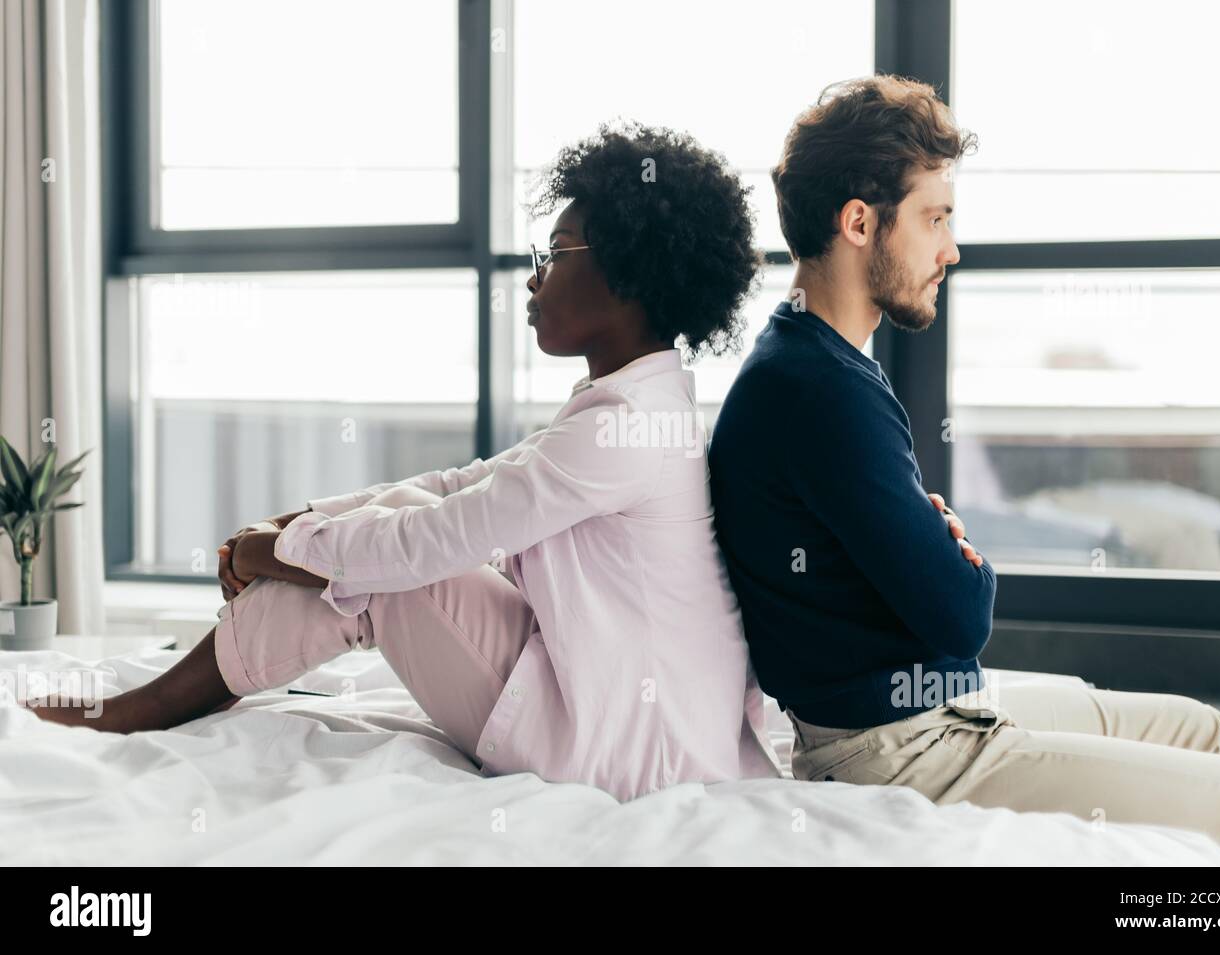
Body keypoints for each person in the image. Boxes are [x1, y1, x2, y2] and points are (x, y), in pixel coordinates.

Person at [31, 121, 782, 803]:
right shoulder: (633, 403)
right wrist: (301, 525)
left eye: (554, 256)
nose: (532, 278)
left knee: (393, 564)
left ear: (629, 276)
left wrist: (278, 550)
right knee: (377, 547)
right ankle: (165, 696)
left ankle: (153, 705)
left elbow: (439, 538)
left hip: (617, 749)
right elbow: (464, 486)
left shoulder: (624, 428)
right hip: (627, 719)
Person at [706, 74, 1220, 864]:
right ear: (858, 222)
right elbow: (962, 616)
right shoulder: (817, 389)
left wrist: (933, 542)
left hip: (941, 707)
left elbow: (917, 596)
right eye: (934, 218)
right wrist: (955, 554)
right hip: (903, 749)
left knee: (1205, 726)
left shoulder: (817, 361)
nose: (950, 249)